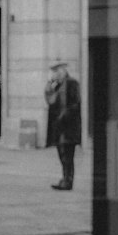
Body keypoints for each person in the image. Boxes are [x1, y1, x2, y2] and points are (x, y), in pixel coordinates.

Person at [45, 59, 82, 190]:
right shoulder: (57, 86)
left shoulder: (72, 83)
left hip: (69, 126)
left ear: (62, 71)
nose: (54, 74)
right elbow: (50, 100)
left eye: (56, 71)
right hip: (59, 127)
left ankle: (68, 181)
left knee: (68, 156)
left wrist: (64, 115)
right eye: (52, 72)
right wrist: (49, 84)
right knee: (62, 154)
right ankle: (64, 179)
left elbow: (76, 103)